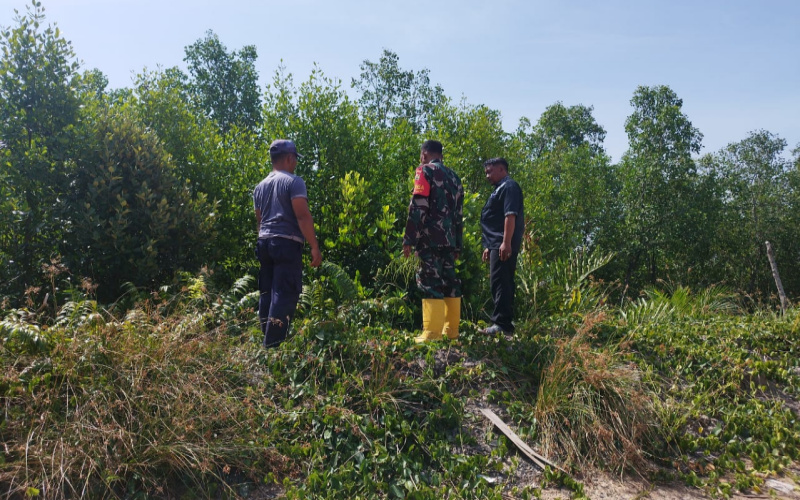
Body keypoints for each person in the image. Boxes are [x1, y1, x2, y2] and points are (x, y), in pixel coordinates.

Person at [253, 139, 322, 348]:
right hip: (286, 243)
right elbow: (302, 216)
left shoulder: (260, 186)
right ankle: (272, 348)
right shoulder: (294, 182)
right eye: (295, 160)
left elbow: (259, 220)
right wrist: (314, 246)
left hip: (264, 242)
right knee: (284, 294)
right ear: (290, 158)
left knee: (267, 292)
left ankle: (266, 340)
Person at [403, 140, 464, 342]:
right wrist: (458, 245)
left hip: (430, 239)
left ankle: (432, 333)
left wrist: (409, 238)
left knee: (430, 280)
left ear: (424, 154)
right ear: (441, 155)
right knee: (450, 281)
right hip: (450, 240)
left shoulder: (424, 171)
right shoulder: (455, 177)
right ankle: (451, 331)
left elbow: (418, 206)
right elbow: (458, 215)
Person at [479, 157, 524, 335]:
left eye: (490, 172)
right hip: (496, 243)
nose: (487, 176)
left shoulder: (509, 187)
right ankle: (502, 323)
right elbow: (495, 220)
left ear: (501, 169)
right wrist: (489, 246)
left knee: (501, 282)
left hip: (503, 243)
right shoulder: (500, 188)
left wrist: (506, 242)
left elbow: (509, 216)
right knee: (498, 281)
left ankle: (502, 324)